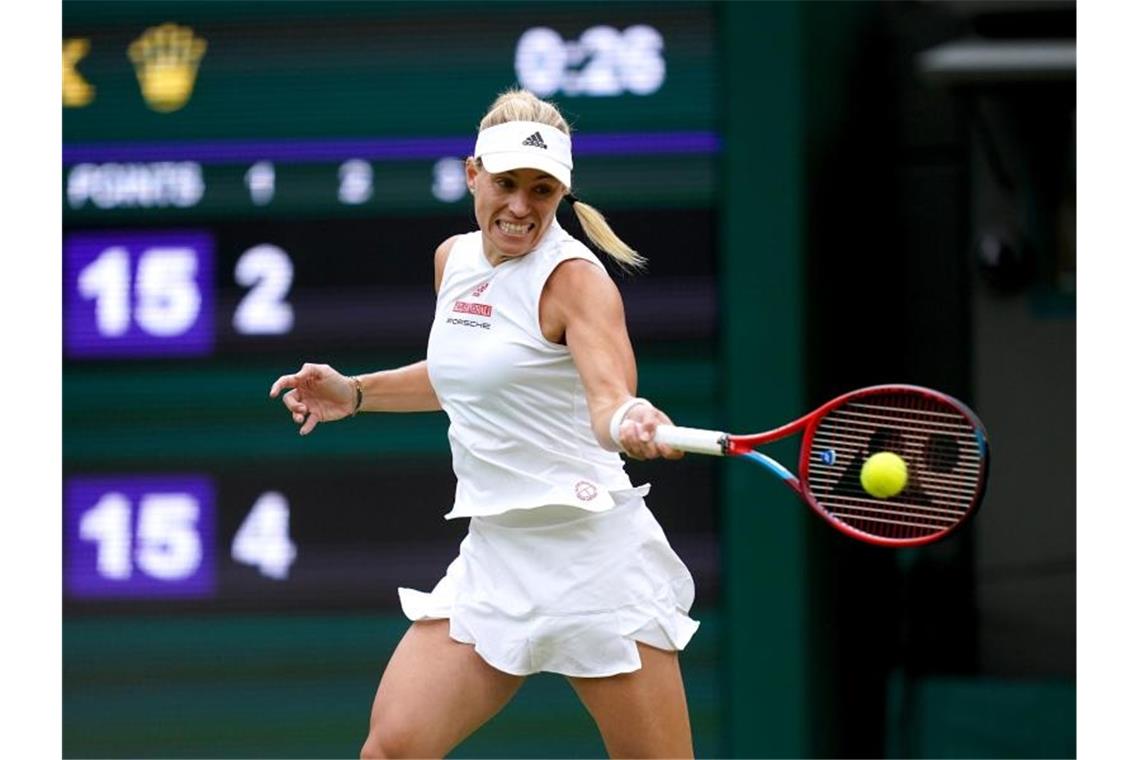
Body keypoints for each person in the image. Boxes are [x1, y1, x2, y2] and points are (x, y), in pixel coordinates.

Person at [269, 88, 699, 759]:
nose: (521, 207)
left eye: (542, 190)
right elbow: (470, 376)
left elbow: (609, 399)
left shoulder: (577, 281)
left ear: (561, 193)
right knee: (392, 750)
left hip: (593, 556)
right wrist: (355, 393)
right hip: (495, 556)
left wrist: (632, 419)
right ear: (473, 174)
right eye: (506, 184)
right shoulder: (455, 261)